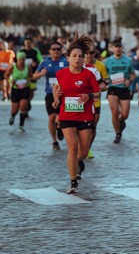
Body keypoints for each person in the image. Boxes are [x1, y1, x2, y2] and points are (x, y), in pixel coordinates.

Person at [52, 35, 101, 194]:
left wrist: (89, 96)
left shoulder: (88, 75)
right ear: (68, 58)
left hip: (85, 116)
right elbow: (56, 88)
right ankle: (73, 182)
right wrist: (56, 99)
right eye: (74, 56)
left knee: (83, 152)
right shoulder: (61, 73)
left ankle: (78, 162)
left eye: (80, 56)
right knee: (72, 147)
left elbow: (98, 92)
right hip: (67, 116)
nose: (78, 59)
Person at [32, 42, 67, 150]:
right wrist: (41, 74)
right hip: (50, 93)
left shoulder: (66, 62)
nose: (56, 51)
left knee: (61, 117)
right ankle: (54, 141)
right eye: (54, 49)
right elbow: (34, 76)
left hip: (64, 93)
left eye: (58, 49)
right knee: (52, 117)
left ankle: (60, 127)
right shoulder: (45, 62)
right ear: (50, 51)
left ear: (61, 50)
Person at [104, 40, 136, 143]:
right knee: (114, 112)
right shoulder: (108, 61)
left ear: (122, 48)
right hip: (113, 88)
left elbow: (133, 74)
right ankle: (117, 133)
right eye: (115, 47)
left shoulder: (128, 60)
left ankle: (121, 121)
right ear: (112, 48)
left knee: (125, 114)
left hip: (124, 89)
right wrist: (106, 80)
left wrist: (129, 80)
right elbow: (104, 76)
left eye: (119, 46)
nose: (118, 48)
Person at [83, 48, 108, 159]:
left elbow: (104, 84)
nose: (88, 55)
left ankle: (87, 148)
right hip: (75, 105)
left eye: (91, 52)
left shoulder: (97, 67)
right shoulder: (69, 68)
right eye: (86, 53)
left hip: (94, 102)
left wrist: (94, 89)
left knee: (92, 127)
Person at [5, 52, 32, 132]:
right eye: (20, 60)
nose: (21, 62)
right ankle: (13, 116)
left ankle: (21, 125)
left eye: (23, 60)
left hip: (25, 88)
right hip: (15, 89)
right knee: (15, 108)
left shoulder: (28, 67)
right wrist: (11, 80)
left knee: (23, 106)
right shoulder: (13, 67)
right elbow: (6, 75)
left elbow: (31, 76)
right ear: (17, 60)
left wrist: (28, 81)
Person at [19, 36, 43, 118]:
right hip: (22, 76)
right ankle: (24, 108)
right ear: (24, 43)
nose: (28, 44)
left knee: (31, 91)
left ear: (31, 43)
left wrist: (37, 66)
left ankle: (28, 102)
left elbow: (41, 61)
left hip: (32, 75)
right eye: (26, 43)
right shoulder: (21, 52)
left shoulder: (35, 51)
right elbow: (16, 62)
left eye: (29, 43)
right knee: (23, 91)